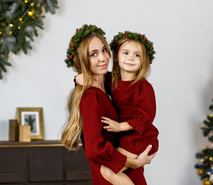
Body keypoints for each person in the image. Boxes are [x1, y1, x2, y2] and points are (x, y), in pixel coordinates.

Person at [61, 24, 155, 185]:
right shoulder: (91, 97)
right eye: (93, 54)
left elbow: (128, 84)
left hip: (126, 173)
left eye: (104, 50)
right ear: (83, 59)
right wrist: (133, 162)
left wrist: (77, 79)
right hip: (112, 176)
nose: (103, 58)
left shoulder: (108, 84)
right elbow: (94, 149)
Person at [99, 31, 159, 184]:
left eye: (137, 55)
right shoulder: (112, 80)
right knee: (132, 176)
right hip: (126, 138)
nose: (131, 57)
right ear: (117, 56)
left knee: (107, 170)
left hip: (140, 138)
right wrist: (78, 78)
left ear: (144, 61)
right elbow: (93, 78)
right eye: (126, 52)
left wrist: (119, 126)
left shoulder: (143, 87)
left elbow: (145, 117)